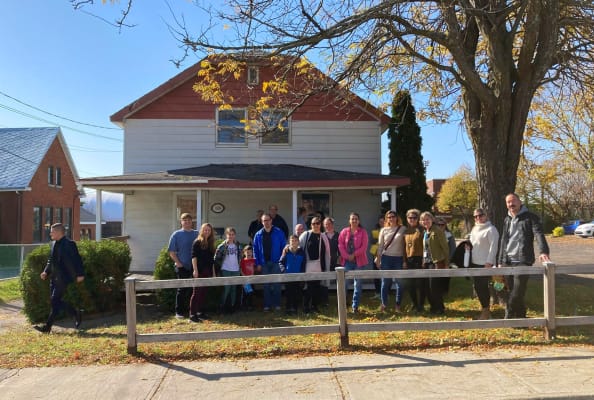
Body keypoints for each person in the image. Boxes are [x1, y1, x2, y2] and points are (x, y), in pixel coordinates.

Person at [498, 193, 550, 319]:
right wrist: (500, 260)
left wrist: (543, 251)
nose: (511, 204)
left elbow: (538, 234)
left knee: (517, 291)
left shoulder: (531, 217)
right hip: (507, 260)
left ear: (520, 201)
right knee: (511, 291)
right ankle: (521, 316)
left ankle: (509, 315)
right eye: (508, 202)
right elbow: (503, 240)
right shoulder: (507, 219)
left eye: (513, 201)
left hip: (523, 260)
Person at [34, 223, 85, 333]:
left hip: (64, 277)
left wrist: (80, 274)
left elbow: (77, 260)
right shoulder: (52, 244)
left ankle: (47, 327)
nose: (50, 233)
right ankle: (75, 313)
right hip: (54, 277)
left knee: (54, 300)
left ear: (58, 232)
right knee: (55, 303)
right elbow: (50, 260)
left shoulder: (70, 244)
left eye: (52, 231)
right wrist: (45, 272)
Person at [467, 208, 499, 320]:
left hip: (485, 264)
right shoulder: (475, 229)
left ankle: (486, 312)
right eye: (475, 216)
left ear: (486, 215)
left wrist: (489, 262)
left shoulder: (491, 229)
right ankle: (485, 310)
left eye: (480, 215)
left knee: (487, 287)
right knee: (478, 287)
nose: (478, 218)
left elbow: (493, 247)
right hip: (475, 263)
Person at [253, 212, 287, 311]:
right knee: (266, 285)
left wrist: (282, 261)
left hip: (276, 263)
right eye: (264, 221)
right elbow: (255, 250)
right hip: (264, 264)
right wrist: (258, 263)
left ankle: (277, 305)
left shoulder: (279, 232)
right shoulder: (258, 234)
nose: (266, 222)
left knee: (277, 284)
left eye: (268, 220)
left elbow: (284, 247)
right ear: (262, 222)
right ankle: (267, 305)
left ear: (271, 221)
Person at [168, 213, 198, 318]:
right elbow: (171, 252)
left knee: (194, 289)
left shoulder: (197, 234)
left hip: (195, 267)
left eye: (189, 220)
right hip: (182, 266)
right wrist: (179, 263)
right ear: (181, 222)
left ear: (191, 222)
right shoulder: (176, 234)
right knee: (182, 289)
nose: (187, 222)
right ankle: (179, 312)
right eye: (184, 220)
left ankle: (193, 310)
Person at [338, 212, 369, 313]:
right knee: (344, 284)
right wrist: (347, 256)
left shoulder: (363, 232)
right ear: (349, 221)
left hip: (359, 261)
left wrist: (354, 255)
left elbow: (364, 247)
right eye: (352, 219)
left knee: (358, 284)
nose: (354, 220)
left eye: (356, 219)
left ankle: (355, 306)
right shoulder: (344, 231)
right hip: (346, 261)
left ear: (358, 221)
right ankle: (343, 306)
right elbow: (340, 245)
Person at [420, 211, 450, 315]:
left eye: (427, 219)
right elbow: (425, 249)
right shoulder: (425, 232)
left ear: (432, 220)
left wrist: (446, 263)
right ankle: (433, 307)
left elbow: (445, 248)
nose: (425, 221)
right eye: (423, 220)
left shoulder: (437, 231)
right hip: (427, 262)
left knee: (434, 287)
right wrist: (423, 261)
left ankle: (440, 308)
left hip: (437, 262)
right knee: (427, 287)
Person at [299, 216, 331, 314]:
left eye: (318, 223)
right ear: (310, 225)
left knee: (317, 288)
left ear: (320, 225)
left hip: (320, 266)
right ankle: (306, 307)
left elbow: (327, 252)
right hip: (308, 266)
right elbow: (298, 246)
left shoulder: (323, 236)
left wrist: (326, 267)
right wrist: (287, 248)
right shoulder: (306, 235)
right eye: (313, 223)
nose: (316, 225)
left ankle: (314, 307)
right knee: (308, 288)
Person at [376, 211, 406, 313]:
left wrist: (404, 261)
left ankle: (398, 306)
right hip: (386, 258)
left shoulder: (403, 229)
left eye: (393, 216)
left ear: (397, 218)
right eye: (389, 217)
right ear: (386, 219)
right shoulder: (383, 230)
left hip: (398, 258)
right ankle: (383, 305)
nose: (391, 218)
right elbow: (380, 246)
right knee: (385, 283)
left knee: (399, 283)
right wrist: (378, 259)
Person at [189, 223, 216, 323]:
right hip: (199, 271)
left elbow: (212, 260)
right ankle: (192, 315)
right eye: (205, 230)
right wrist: (195, 270)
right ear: (201, 230)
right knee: (196, 293)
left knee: (204, 293)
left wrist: (213, 273)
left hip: (207, 271)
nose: (207, 232)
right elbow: (194, 257)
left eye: (209, 230)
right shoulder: (197, 242)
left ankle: (200, 312)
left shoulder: (211, 243)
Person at [214, 227, 243, 314]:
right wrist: (222, 266)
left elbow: (240, 256)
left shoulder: (238, 245)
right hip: (226, 269)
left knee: (234, 288)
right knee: (227, 288)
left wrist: (239, 265)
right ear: (226, 235)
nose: (231, 236)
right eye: (229, 234)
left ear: (235, 235)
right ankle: (222, 306)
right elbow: (216, 259)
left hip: (236, 269)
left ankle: (232, 307)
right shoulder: (222, 246)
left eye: (232, 234)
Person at [404, 209, 426, 312]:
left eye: (414, 218)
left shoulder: (422, 230)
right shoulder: (406, 231)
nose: (412, 219)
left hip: (419, 258)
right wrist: (404, 261)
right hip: (409, 259)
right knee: (410, 284)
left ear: (418, 219)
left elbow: (426, 246)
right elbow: (403, 247)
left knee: (421, 283)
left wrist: (423, 260)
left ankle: (421, 305)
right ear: (407, 219)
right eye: (410, 218)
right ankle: (415, 304)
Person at [279, 234, 306, 314]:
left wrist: (302, 273)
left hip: (298, 276)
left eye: (295, 241)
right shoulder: (286, 251)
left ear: (298, 242)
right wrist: (284, 270)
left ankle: (294, 308)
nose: (294, 242)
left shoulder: (301, 252)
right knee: (288, 293)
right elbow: (281, 262)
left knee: (296, 293)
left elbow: (304, 264)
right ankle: (288, 309)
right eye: (292, 241)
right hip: (288, 276)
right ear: (289, 242)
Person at [369, 215, 384, 299]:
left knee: (383, 275)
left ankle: (384, 293)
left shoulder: (389, 230)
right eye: (380, 221)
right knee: (376, 274)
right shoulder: (375, 230)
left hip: (385, 255)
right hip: (375, 255)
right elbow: (372, 241)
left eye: (383, 221)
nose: (382, 223)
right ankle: (377, 292)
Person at [240, 245, 257, 311]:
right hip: (245, 280)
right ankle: (244, 306)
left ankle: (250, 306)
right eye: (247, 252)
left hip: (252, 280)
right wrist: (244, 276)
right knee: (244, 294)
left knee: (251, 293)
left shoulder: (254, 260)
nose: (249, 253)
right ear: (244, 253)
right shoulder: (242, 261)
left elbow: (255, 268)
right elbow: (240, 269)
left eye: (250, 252)